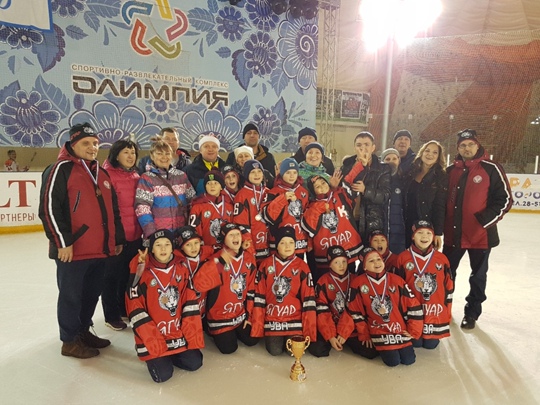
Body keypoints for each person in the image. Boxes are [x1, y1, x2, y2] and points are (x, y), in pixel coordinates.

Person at [39, 122, 125, 359]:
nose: (92, 147)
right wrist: (62, 242)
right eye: (86, 143)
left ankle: (83, 331)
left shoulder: (102, 173)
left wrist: (116, 239)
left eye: (95, 143)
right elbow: (48, 208)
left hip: (100, 249)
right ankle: (69, 341)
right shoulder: (59, 169)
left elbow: (113, 210)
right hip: (73, 250)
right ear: (73, 144)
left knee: (91, 294)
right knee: (71, 296)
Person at [443, 129, 512, 330]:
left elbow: (505, 199)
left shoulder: (491, 168)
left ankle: (471, 313)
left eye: (470, 144)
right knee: (447, 275)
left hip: (480, 236)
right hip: (453, 235)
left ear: (477, 145)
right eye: (463, 145)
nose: (467, 148)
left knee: (478, 277)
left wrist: (483, 221)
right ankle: (443, 310)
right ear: (458, 148)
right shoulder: (450, 171)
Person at [126, 229, 204, 383]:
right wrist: (153, 341)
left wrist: (190, 337)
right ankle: (159, 356)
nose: (163, 249)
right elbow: (135, 309)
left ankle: (170, 353)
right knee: (163, 376)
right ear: (151, 249)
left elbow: (189, 302)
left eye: (167, 244)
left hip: (176, 332)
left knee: (195, 363)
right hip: (154, 334)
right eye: (158, 245)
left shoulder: (181, 268)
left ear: (172, 247)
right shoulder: (142, 273)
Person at [337, 247, 423, 367]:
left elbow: (413, 305)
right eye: (371, 261)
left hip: (398, 328)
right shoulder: (358, 283)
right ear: (364, 267)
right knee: (393, 362)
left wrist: (414, 330)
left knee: (409, 360)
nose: (376, 263)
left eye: (378, 259)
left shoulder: (397, 280)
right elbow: (354, 311)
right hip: (378, 330)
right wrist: (364, 334)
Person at [251, 226, 317, 355]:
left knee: (293, 351)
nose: (288, 246)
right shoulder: (266, 264)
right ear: (276, 245)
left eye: (291, 242)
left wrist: (309, 332)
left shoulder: (302, 266)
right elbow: (259, 297)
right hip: (273, 318)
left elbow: (308, 299)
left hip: (294, 319)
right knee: (274, 351)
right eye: (283, 243)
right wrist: (258, 328)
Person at [199, 222, 260, 354]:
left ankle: (235, 329)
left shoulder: (248, 258)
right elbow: (202, 283)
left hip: (239, 315)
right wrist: (220, 262)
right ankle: (213, 330)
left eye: (237, 234)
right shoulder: (217, 258)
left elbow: (251, 290)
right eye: (231, 235)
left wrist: (249, 316)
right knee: (229, 348)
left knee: (252, 339)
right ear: (223, 239)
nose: (235, 237)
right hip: (220, 316)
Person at [101, 139, 143, 331]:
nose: (130, 156)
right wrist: (114, 235)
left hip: (135, 234)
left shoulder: (135, 175)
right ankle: (111, 315)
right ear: (116, 155)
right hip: (116, 236)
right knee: (111, 276)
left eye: (133, 152)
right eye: (126, 152)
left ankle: (122, 307)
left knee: (127, 274)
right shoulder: (107, 175)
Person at [397, 220, 453, 349]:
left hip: (433, 311)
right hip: (412, 310)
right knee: (416, 343)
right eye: (420, 233)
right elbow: (398, 289)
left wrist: (447, 313)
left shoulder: (442, 259)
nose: (424, 236)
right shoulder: (403, 258)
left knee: (431, 345)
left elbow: (448, 287)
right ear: (412, 236)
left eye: (429, 233)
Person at [301, 173, 362, 282]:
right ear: (313, 192)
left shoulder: (340, 194)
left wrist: (361, 165)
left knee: (350, 280)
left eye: (323, 183)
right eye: (317, 186)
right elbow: (308, 228)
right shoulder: (312, 206)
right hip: (325, 255)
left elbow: (351, 184)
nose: (322, 187)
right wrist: (321, 204)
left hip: (347, 250)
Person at [308, 245, 365, 358]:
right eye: (336, 262)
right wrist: (330, 336)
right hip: (332, 324)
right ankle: (336, 340)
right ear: (329, 264)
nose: (341, 265)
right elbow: (322, 311)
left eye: (344, 261)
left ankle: (344, 339)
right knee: (318, 349)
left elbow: (356, 309)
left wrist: (344, 332)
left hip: (351, 326)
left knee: (370, 352)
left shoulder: (356, 280)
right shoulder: (323, 281)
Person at [135, 137, 195, 240]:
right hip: (159, 235)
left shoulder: (181, 176)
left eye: (167, 153)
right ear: (152, 156)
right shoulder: (147, 178)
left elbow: (193, 201)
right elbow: (142, 208)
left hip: (181, 234)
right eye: (159, 154)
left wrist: (191, 228)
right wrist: (152, 233)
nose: (164, 157)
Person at [341, 131, 391, 242]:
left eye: (366, 145)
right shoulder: (346, 166)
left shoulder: (383, 169)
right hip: (348, 218)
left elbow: (385, 195)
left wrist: (366, 190)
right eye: (359, 145)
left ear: (373, 148)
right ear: (354, 148)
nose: (362, 148)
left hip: (372, 220)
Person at [402, 141, 447, 250]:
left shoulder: (441, 177)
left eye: (435, 152)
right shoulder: (411, 171)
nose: (430, 154)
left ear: (438, 157)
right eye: (427, 151)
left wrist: (438, 233)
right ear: (422, 153)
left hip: (425, 225)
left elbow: (440, 206)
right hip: (407, 222)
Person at [262, 157, 309, 256]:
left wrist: (310, 241)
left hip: (300, 241)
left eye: (294, 172)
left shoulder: (303, 192)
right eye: (288, 172)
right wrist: (283, 198)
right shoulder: (273, 192)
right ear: (282, 174)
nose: (292, 176)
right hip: (279, 240)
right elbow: (268, 216)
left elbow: (307, 218)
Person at [233, 160, 270, 263]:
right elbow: (241, 224)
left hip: (269, 244)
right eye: (252, 172)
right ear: (246, 175)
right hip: (252, 245)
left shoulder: (268, 192)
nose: (256, 175)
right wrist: (250, 249)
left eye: (259, 171)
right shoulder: (242, 195)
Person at [188, 170, 234, 249]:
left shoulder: (229, 204)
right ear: (205, 186)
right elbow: (194, 232)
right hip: (208, 250)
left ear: (221, 187)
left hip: (227, 249)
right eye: (209, 183)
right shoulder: (198, 207)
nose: (212, 186)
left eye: (215, 183)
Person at [380, 148, 406, 254]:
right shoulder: (377, 180)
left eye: (394, 158)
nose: (391, 161)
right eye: (387, 159)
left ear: (399, 161)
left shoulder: (404, 181)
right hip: (381, 229)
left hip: (399, 231)